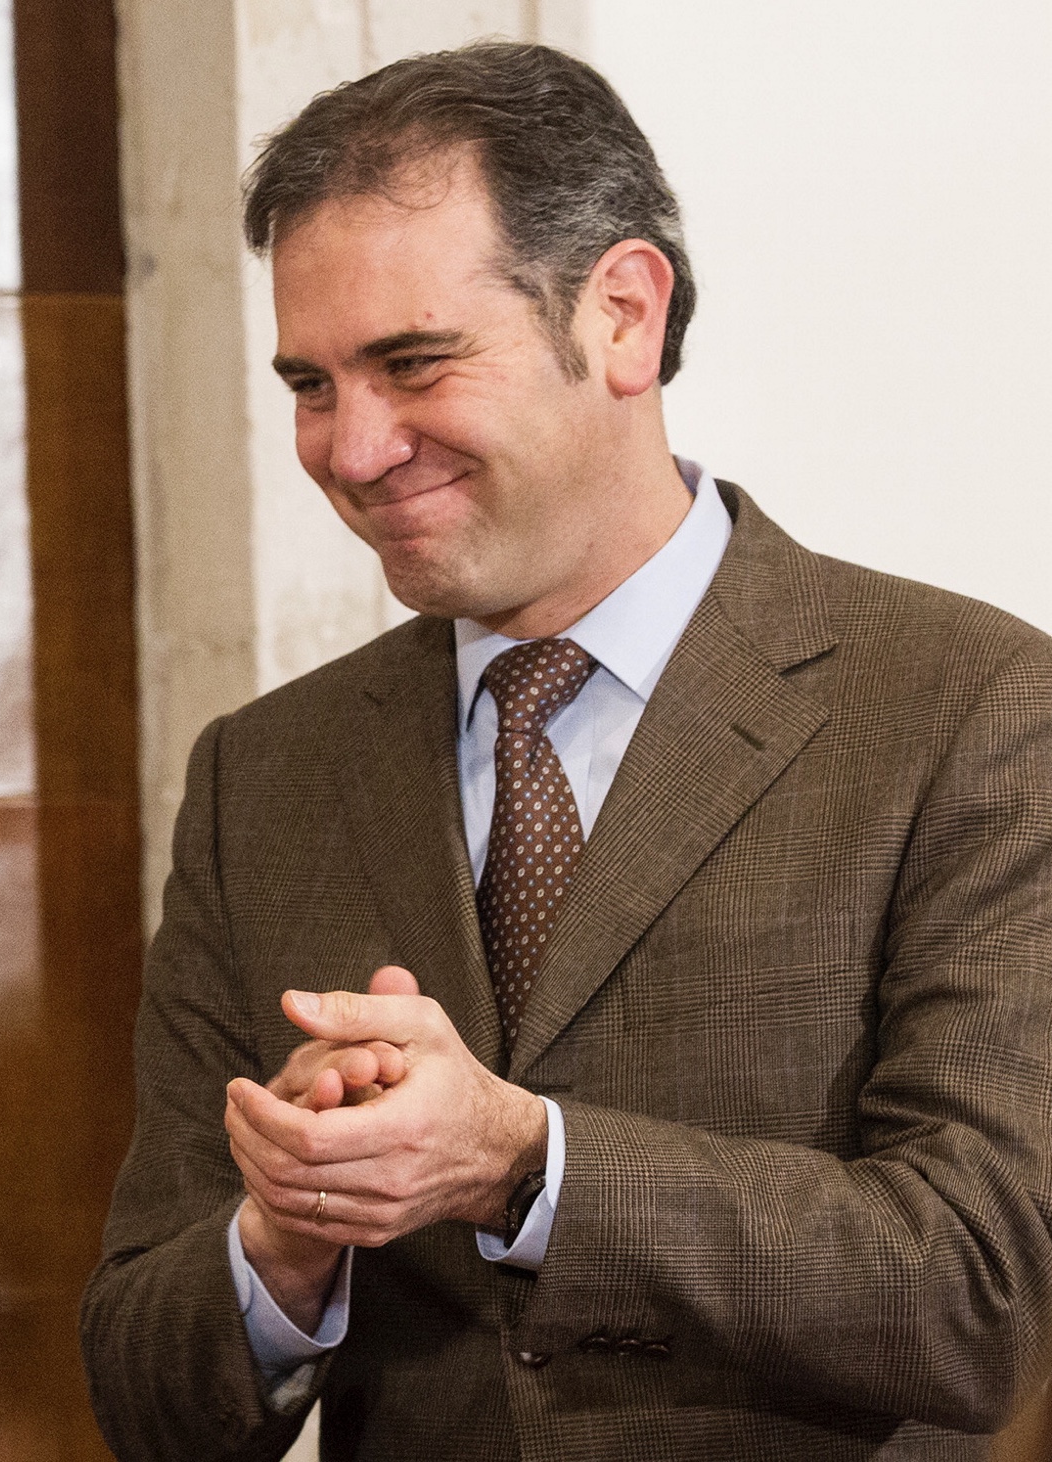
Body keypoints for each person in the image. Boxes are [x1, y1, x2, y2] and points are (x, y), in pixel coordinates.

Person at [80, 41, 1052, 1460]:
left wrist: (522, 1163)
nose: (350, 450)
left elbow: (978, 1294)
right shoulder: (260, 776)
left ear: (620, 317)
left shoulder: (966, 707)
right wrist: (280, 1241)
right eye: (309, 384)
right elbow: (142, 1395)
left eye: (411, 363)